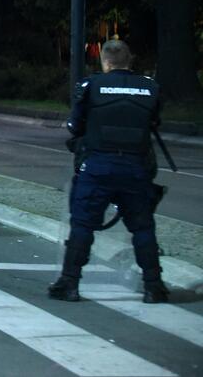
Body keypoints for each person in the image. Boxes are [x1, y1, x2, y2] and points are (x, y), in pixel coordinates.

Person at [49, 39, 169, 304]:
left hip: (97, 167)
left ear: (105, 61)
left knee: (82, 225)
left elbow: (74, 126)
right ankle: (153, 286)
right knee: (143, 227)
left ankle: (69, 283)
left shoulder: (91, 86)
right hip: (136, 168)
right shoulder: (150, 88)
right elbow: (154, 121)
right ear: (130, 60)